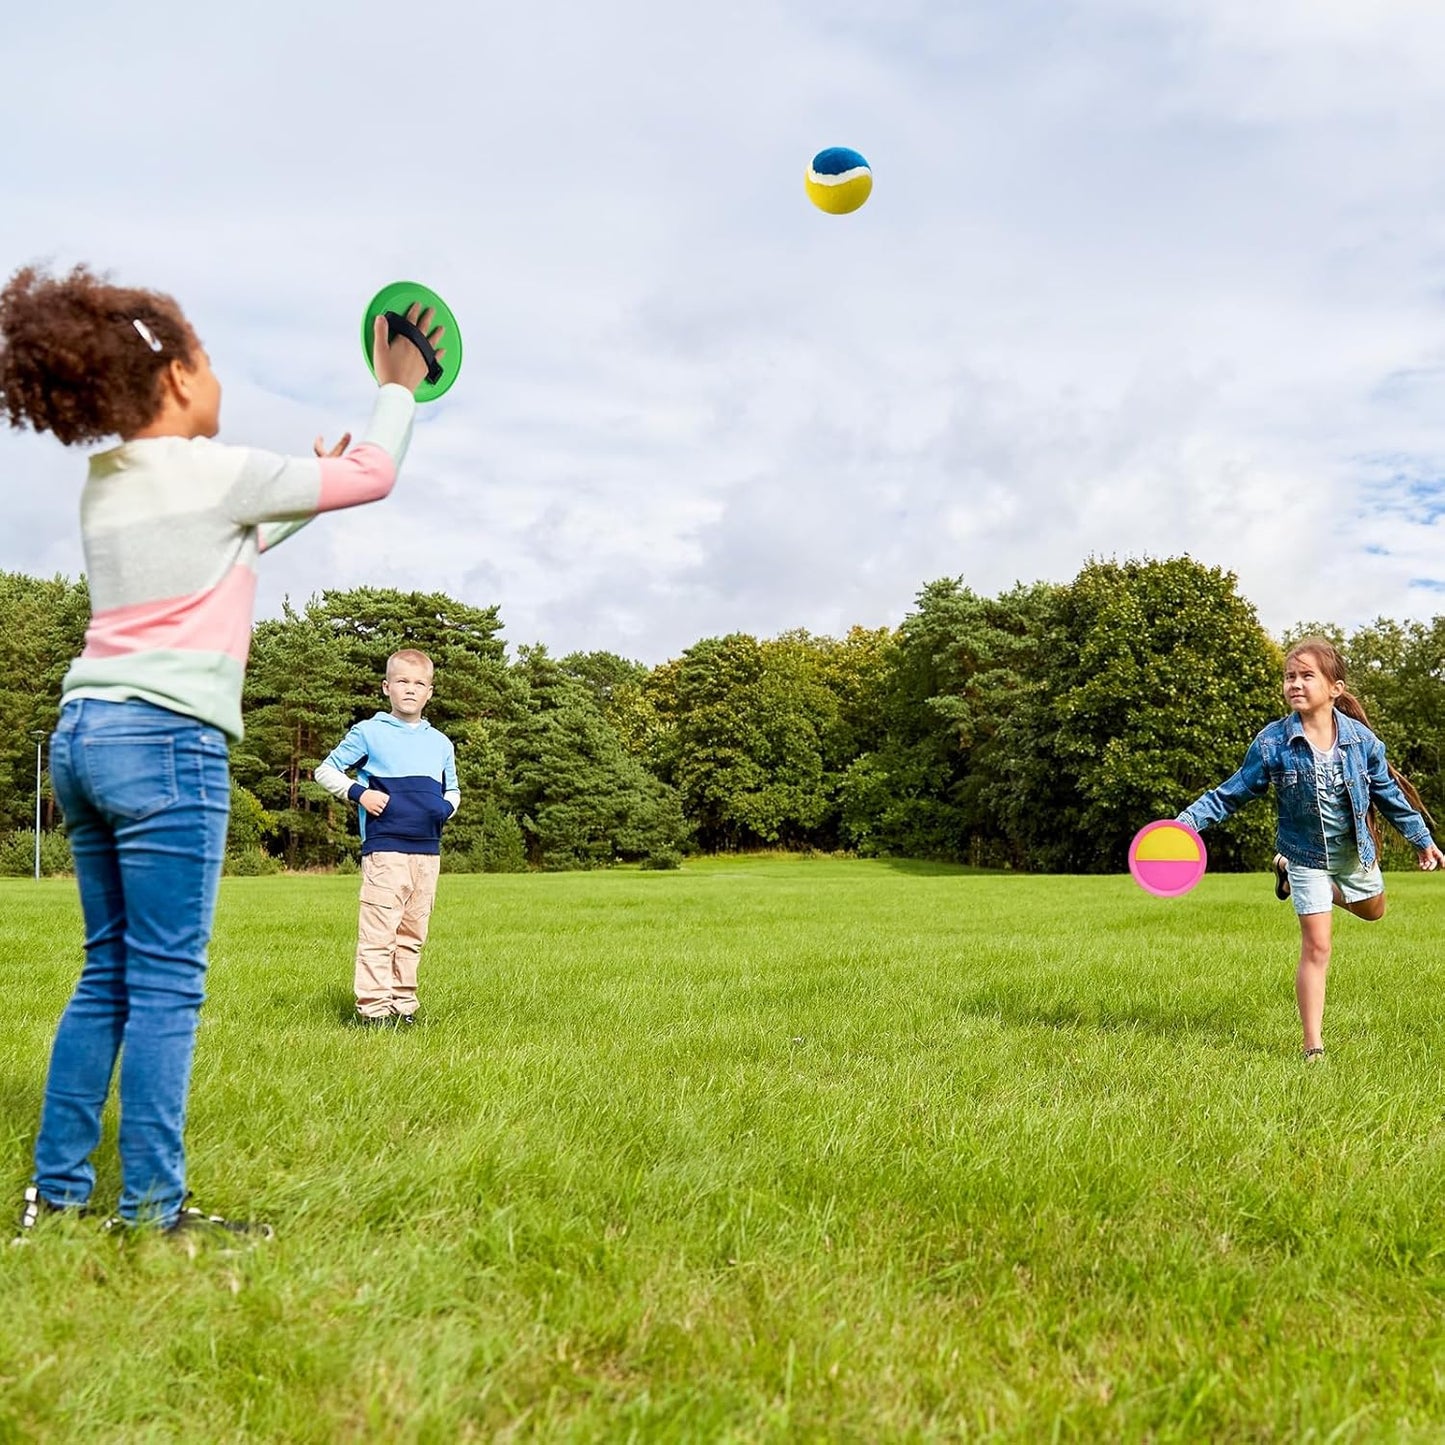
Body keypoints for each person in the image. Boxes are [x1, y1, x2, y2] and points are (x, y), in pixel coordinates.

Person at [1, 264, 441, 1240]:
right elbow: (372, 473)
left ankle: (57, 1193)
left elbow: (217, 556)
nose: (219, 379)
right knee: (164, 982)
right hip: (166, 746)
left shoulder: (106, 485)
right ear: (172, 381)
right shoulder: (222, 470)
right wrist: (399, 383)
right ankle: (153, 1209)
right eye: (206, 358)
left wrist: (293, 502)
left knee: (105, 969)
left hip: (85, 740)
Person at [1177, 636, 1444, 1060]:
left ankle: (1295, 879)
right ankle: (1313, 1047)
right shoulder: (1272, 744)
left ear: (1335, 688)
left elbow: (1388, 793)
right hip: (1304, 854)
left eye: (1306, 676)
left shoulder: (1361, 741)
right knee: (1318, 946)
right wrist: (1184, 824)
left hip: (1354, 852)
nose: (1295, 684)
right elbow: (1231, 793)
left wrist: (1421, 838)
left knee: (1374, 912)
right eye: (1289, 676)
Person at [315, 649, 458, 1025]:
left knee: (412, 934)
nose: (410, 690)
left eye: (418, 683)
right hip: (385, 850)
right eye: (402, 682)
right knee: (379, 933)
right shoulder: (368, 733)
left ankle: (403, 1006)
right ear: (386, 687)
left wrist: (444, 810)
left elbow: (453, 791)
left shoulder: (441, 743)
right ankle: (373, 1011)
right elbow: (324, 771)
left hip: (427, 854)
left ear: (429, 692)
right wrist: (359, 794)